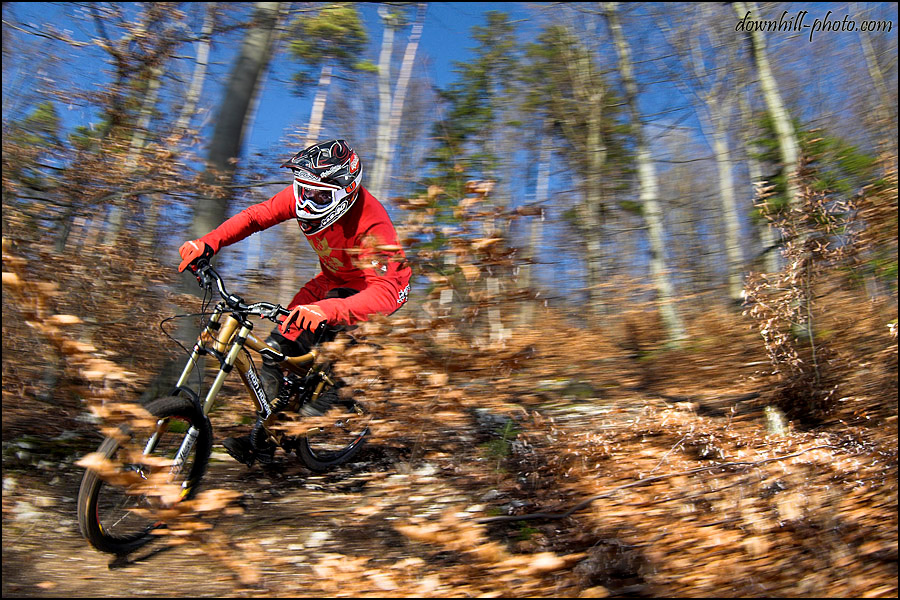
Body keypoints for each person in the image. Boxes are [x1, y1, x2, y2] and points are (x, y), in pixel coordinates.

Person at [178, 139, 411, 465]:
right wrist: (208, 242)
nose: (306, 201)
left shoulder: (372, 224)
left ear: (346, 191)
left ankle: (333, 397)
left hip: (374, 290)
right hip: (330, 281)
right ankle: (265, 439)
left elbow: (384, 291)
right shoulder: (308, 192)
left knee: (332, 365)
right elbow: (256, 216)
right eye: (302, 190)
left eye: (318, 196)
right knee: (276, 350)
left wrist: (327, 310)